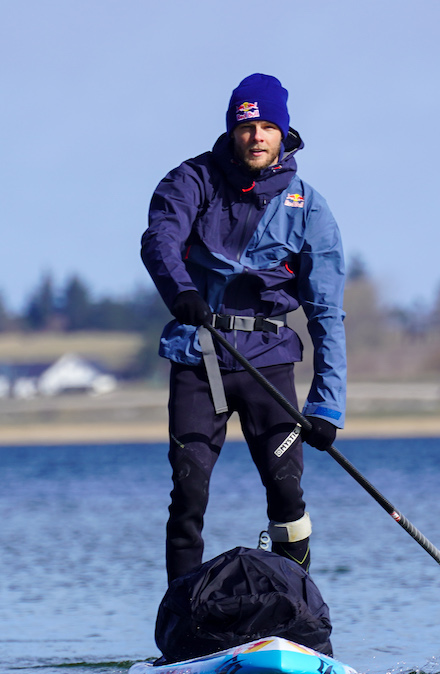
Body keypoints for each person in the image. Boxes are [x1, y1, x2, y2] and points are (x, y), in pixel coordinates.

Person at [140, 73, 346, 584]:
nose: (257, 135)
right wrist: (180, 290)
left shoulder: (309, 208)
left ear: (284, 134)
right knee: (188, 492)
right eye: (247, 125)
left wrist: (326, 406)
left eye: (267, 126)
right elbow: (160, 238)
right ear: (233, 130)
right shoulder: (192, 180)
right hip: (198, 354)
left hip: (269, 360)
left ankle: (296, 603)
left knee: (286, 492)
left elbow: (326, 314)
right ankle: (182, 616)